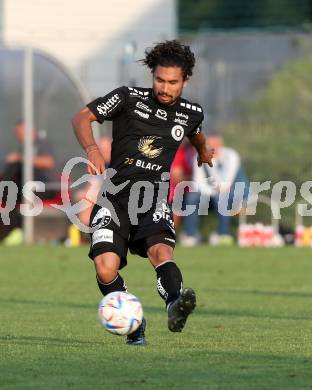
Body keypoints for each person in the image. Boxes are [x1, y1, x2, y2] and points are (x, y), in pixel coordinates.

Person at [72, 40, 214, 346]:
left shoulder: (190, 112)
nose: (164, 87)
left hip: (154, 199)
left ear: (185, 81)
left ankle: (175, 304)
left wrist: (203, 152)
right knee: (105, 267)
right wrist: (92, 149)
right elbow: (81, 117)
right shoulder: (127, 98)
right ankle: (133, 325)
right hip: (115, 198)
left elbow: (196, 132)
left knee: (161, 253)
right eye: (160, 80)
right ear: (153, 76)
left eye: (172, 82)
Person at [181, 133, 249, 246]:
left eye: (217, 145)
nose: (214, 148)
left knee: (221, 198)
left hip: (230, 195)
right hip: (208, 194)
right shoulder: (198, 158)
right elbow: (198, 183)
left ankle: (223, 234)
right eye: (211, 145)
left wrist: (219, 190)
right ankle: (190, 235)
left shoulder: (232, 156)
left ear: (221, 144)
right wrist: (214, 192)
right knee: (192, 197)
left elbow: (227, 181)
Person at [0, 121, 56, 244]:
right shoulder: (24, 148)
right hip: (27, 189)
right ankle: (12, 232)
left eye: (22, 133)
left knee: (17, 164)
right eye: (18, 134)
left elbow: (49, 162)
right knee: (11, 199)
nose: (19, 137)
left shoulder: (42, 144)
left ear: (32, 132)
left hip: (45, 187)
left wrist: (21, 158)